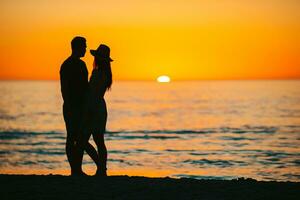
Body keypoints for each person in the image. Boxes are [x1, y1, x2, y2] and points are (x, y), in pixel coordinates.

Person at [81, 44, 113, 176]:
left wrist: (87, 109)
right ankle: (101, 169)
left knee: (83, 140)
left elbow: (92, 92)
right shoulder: (104, 73)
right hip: (99, 106)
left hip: (94, 107)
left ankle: (101, 167)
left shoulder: (99, 73)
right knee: (99, 140)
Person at [59, 36, 88, 176]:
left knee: (78, 137)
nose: (86, 49)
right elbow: (65, 88)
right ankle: (75, 169)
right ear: (77, 47)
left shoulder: (79, 65)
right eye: (84, 46)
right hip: (72, 106)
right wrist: (71, 105)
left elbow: (85, 87)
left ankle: (77, 168)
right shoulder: (68, 65)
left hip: (79, 106)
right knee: (72, 137)